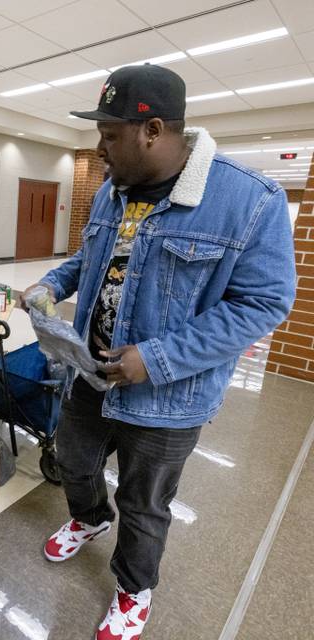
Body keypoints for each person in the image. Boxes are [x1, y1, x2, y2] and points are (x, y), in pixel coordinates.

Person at [23, 64, 296, 639]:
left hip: (166, 400)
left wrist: (157, 358)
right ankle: (90, 520)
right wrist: (52, 284)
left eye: (111, 134)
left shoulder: (249, 200)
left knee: (146, 506)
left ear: (153, 130)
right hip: (89, 373)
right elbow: (89, 259)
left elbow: (263, 304)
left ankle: (133, 589)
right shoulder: (110, 191)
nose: (99, 148)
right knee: (74, 460)